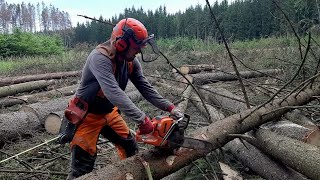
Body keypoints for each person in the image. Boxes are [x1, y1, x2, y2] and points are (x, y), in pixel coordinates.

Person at [58, 18, 183, 179]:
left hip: (108, 112)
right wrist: (142, 120)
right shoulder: (100, 58)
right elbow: (113, 92)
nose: (138, 51)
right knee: (82, 168)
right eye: (136, 47)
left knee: (129, 144)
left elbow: (145, 87)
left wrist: (170, 107)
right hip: (86, 116)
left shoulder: (131, 61)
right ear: (121, 43)